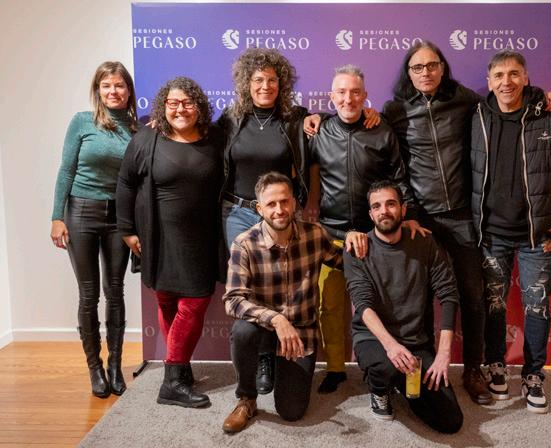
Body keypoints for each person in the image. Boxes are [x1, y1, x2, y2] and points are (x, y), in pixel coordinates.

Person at [383, 41, 551, 405]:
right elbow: (394, 164)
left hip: (465, 215)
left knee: (475, 297)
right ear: (408, 72)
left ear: (442, 67)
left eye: (432, 65)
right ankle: (425, 368)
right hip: (421, 219)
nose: (426, 72)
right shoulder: (395, 110)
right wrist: (410, 212)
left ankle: (474, 370)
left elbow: (506, 99)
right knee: (418, 298)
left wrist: (540, 96)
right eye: (417, 67)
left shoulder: (466, 101)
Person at [470, 50, 551, 414]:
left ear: (526, 77)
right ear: (489, 82)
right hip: (491, 234)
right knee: (493, 304)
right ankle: (496, 364)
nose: (507, 81)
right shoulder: (476, 116)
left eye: (514, 74)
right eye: (499, 75)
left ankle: (533, 374)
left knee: (537, 306)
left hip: (538, 234)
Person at [304, 64, 425, 394]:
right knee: (330, 307)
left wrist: (409, 214)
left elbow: (399, 178)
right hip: (331, 235)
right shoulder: (318, 132)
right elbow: (306, 171)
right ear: (331, 96)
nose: (348, 99)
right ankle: (335, 368)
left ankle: (384, 368)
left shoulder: (381, 130)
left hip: (375, 237)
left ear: (365, 96)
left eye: (355, 92)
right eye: (341, 92)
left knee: (380, 307)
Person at [222, 172, 366, 433]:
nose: (279, 210)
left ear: (294, 203)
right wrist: (277, 320)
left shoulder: (315, 235)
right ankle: (246, 399)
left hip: (301, 333)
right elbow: (233, 300)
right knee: (242, 331)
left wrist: (362, 239)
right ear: (259, 209)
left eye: (284, 201)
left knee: (292, 412)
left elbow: (344, 262)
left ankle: (284, 370)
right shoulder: (244, 244)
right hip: (264, 329)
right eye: (271, 204)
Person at [116, 76, 223, 408]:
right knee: (167, 302)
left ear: (199, 107)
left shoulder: (214, 139)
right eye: (173, 103)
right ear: (163, 106)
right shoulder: (147, 138)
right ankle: (176, 377)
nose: (181, 109)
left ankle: (175, 372)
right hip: (157, 236)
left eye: (188, 103)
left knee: (195, 301)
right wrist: (127, 229)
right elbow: (125, 183)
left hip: (201, 238)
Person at [344, 181, 463, 433]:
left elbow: (449, 295)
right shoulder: (357, 249)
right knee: (386, 367)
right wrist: (392, 347)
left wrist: (443, 354)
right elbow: (363, 304)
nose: (384, 211)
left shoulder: (425, 242)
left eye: (390, 204)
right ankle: (380, 388)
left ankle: (403, 380)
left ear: (403, 209)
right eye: (377, 206)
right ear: (370, 214)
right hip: (374, 339)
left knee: (450, 421)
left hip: (416, 343)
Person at [50, 61, 137, 398]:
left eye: (119, 85)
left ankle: (115, 366)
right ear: (98, 90)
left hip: (118, 217)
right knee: (88, 294)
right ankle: (95, 368)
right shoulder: (82, 121)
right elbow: (66, 169)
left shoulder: (137, 128)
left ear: (128, 90)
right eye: (106, 86)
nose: (113, 91)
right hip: (81, 213)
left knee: (115, 291)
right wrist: (57, 216)